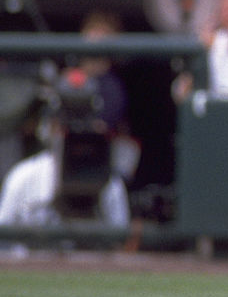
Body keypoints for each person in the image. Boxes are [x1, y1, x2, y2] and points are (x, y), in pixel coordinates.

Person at [0, 68, 130, 229]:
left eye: (82, 123)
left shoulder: (109, 183)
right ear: (50, 126)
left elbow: (119, 245)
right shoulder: (24, 176)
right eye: (64, 124)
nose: (72, 132)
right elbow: (5, 245)